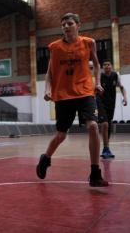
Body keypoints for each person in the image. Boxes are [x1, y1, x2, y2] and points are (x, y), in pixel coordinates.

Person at [36, 12, 108, 187]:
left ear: (78, 25)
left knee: (92, 126)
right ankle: (45, 158)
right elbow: (49, 74)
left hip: (85, 92)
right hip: (63, 95)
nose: (66, 26)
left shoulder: (88, 43)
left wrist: (97, 83)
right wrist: (47, 90)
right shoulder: (54, 47)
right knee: (61, 135)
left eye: (69, 23)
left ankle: (95, 173)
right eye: (63, 25)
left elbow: (97, 65)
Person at [97, 59, 128, 159]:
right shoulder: (100, 76)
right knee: (105, 124)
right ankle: (106, 148)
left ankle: (106, 148)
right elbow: (94, 88)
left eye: (108, 64)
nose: (106, 66)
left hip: (111, 104)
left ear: (111, 66)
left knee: (108, 125)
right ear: (102, 67)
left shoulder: (115, 75)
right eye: (104, 65)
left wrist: (125, 97)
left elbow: (122, 87)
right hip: (101, 102)